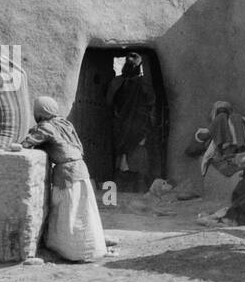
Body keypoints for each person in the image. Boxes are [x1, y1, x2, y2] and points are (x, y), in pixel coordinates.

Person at [13, 96, 107, 263]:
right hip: (80, 168)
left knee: (68, 212)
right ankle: (89, 248)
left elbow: (27, 142)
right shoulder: (65, 123)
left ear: (40, 112)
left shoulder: (46, 127)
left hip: (67, 172)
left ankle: (72, 252)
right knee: (83, 212)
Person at [109, 52, 156, 191]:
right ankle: (140, 191)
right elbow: (152, 101)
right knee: (139, 155)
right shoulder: (144, 84)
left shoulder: (116, 82)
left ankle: (120, 191)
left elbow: (109, 102)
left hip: (122, 125)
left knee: (122, 156)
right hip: (139, 126)